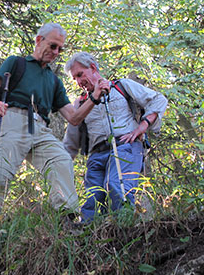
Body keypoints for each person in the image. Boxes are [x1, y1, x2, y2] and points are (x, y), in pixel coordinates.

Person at [0, 23, 109, 219]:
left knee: (61, 160)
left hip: (40, 128)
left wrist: (94, 98)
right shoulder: (16, 63)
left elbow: (74, 117)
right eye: (53, 46)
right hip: (12, 119)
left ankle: (67, 216)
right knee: (0, 172)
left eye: (60, 49)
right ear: (39, 40)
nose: (56, 52)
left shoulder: (54, 81)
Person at [63, 52, 168, 222]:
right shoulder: (81, 103)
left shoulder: (122, 86)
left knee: (117, 186)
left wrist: (142, 127)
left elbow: (158, 100)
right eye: (74, 78)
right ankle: (91, 239)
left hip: (125, 146)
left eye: (80, 74)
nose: (78, 81)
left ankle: (125, 232)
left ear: (92, 67)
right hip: (96, 155)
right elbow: (70, 142)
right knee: (92, 199)